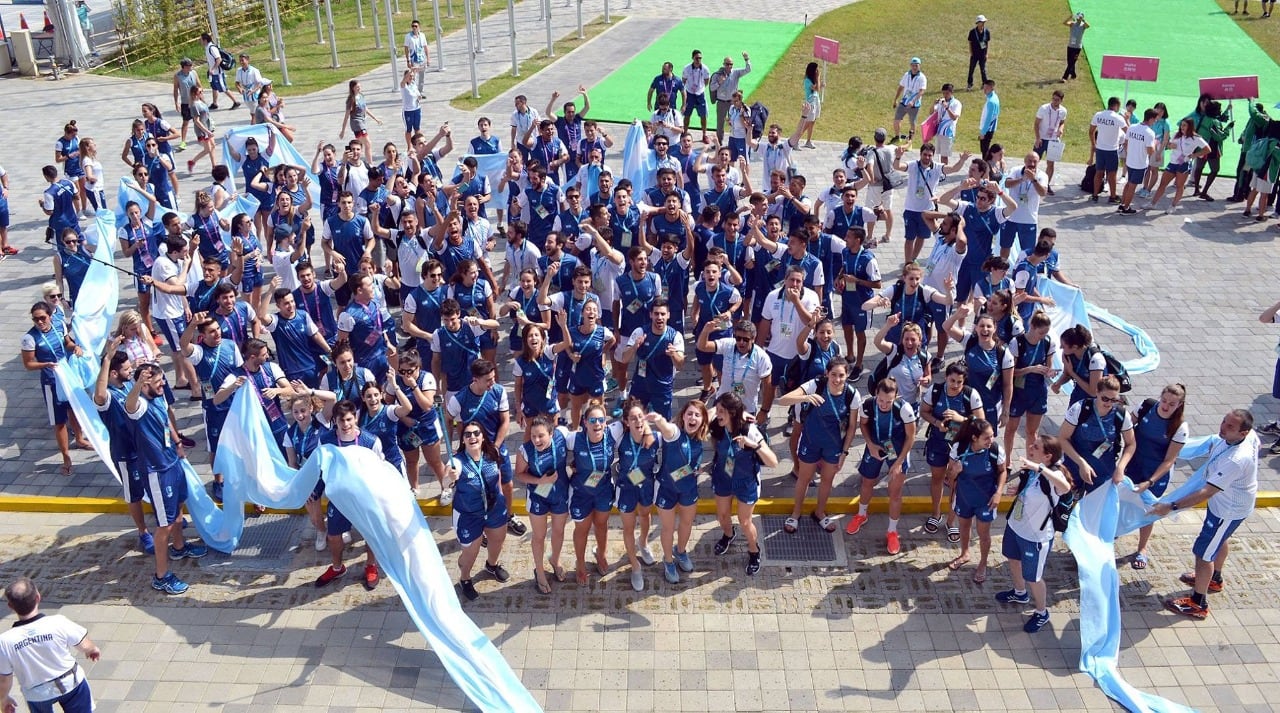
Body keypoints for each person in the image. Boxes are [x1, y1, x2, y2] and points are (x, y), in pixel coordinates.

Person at [1152, 409, 1259, 620]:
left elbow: (1206, 491)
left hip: (1227, 510)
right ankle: (1214, 579)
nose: (1223, 427)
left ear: (1243, 433)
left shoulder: (1236, 460)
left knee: (1203, 553)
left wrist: (1172, 506)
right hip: (1227, 505)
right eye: (1224, 421)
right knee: (1219, 540)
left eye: (1230, 427)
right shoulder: (1246, 437)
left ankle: (1198, 602)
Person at [125, 364, 209, 595]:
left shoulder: (159, 398)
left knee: (179, 506)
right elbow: (129, 404)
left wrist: (178, 443)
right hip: (157, 472)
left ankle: (180, 547)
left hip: (172, 462)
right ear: (144, 385)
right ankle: (161, 576)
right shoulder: (139, 405)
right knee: (165, 525)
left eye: (163, 379)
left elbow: (166, 422)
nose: (163, 384)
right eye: (158, 381)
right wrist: (137, 385)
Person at [996, 434, 1072, 633]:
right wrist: (1018, 490)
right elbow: (1029, 489)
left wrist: (1040, 469)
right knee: (1013, 559)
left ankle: (1041, 612)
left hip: (1035, 537)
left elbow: (1065, 487)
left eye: (1036, 446)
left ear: (1048, 457)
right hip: (1015, 526)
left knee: (1034, 577)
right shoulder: (1030, 469)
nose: (1030, 446)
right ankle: (1020, 593)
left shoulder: (1055, 475)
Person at [779, 358, 861, 534]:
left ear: (847, 375)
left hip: (834, 446)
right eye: (833, 375)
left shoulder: (852, 394)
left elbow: (853, 426)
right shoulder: (816, 385)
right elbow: (783, 400)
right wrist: (806, 397)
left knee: (827, 480)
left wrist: (845, 452)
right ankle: (796, 513)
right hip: (811, 441)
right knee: (804, 478)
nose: (837, 379)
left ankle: (819, 512)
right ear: (826, 373)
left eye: (841, 375)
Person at [0, 578, 102, 713]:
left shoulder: (5, 641)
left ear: (11, 606)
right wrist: (92, 649)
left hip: (37, 694)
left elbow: (4, 679)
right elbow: (84, 644)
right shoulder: (57, 622)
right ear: (38, 597)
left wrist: (3, 699)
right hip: (71, 683)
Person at [314, 400, 386, 590]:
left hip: (365, 497)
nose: (345, 425)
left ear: (356, 418)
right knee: (334, 536)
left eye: (348, 419)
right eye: (341, 420)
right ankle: (338, 568)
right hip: (339, 498)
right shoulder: (326, 440)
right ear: (335, 421)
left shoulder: (370, 441)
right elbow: (322, 468)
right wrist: (317, 489)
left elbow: (381, 471)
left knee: (371, 533)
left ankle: (371, 566)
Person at [709, 392, 777, 575]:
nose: (717, 414)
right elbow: (697, 416)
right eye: (717, 410)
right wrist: (718, 412)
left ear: (732, 413)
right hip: (723, 477)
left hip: (746, 481)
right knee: (723, 516)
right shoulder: (717, 425)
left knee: (745, 522)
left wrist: (753, 445)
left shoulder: (750, 431)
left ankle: (754, 551)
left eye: (722, 411)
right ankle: (729, 535)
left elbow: (773, 462)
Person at [847, 377, 918, 553]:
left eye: (889, 401)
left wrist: (899, 462)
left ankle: (892, 531)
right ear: (876, 394)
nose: (884, 405)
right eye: (881, 400)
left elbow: (911, 437)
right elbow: (863, 425)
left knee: (895, 492)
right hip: (876, 445)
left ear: (896, 397)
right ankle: (862, 514)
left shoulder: (904, 409)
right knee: (867, 482)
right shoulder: (868, 405)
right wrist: (870, 445)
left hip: (897, 449)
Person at [1124, 384, 1188, 569]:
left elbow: (1169, 460)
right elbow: (1127, 425)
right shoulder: (1146, 406)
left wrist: (1150, 481)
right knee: (1119, 501)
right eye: (1164, 401)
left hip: (1155, 474)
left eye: (1172, 404)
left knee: (1149, 511)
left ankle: (1142, 548)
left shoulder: (1180, 427)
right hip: (1133, 465)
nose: (1166, 406)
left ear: (1180, 405)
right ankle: (1115, 530)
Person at [919, 361, 984, 540]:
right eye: (952, 380)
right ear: (946, 377)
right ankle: (936, 514)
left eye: (959, 382)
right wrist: (936, 423)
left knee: (956, 483)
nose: (955, 385)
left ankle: (951, 521)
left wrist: (961, 419)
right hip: (938, 442)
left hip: (961, 445)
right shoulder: (936, 390)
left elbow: (981, 422)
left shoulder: (971, 395)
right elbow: (924, 411)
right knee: (937, 478)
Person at [21, 302, 85, 477]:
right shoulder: (29, 338)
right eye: (36, 319)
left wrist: (75, 347)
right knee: (59, 420)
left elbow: (67, 343)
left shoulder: (59, 325)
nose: (39, 322)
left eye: (43, 318)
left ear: (50, 316)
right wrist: (45, 364)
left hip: (66, 373)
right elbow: (28, 364)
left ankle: (79, 439)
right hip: (51, 379)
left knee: (74, 408)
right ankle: (66, 459)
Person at [448, 424, 511, 601]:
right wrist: (449, 478)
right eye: (467, 434)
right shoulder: (457, 462)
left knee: (497, 541)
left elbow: (497, 478)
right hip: (469, 515)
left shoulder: (492, 454)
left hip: (495, 509)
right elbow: (446, 481)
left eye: (476, 433)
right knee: (470, 553)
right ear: (463, 440)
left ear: (483, 436)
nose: (472, 437)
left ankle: (491, 566)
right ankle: (465, 578)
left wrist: (501, 499)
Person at [649, 402, 708, 584]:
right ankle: (668, 561)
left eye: (697, 415)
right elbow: (666, 428)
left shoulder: (700, 436)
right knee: (668, 528)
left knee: (686, 523)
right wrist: (658, 420)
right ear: (683, 416)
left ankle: (680, 552)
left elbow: (714, 411)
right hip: (666, 489)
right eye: (689, 414)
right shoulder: (674, 434)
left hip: (688, 488)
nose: (692, 418)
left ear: (703, 420)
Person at [945, 418, 1007, 584]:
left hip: (986, 501)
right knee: (964, 527)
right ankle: (965, 553)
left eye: (992, 436)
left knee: (983, 534)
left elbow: (1002, 471)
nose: (991, 440)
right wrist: (955, 471)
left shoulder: (995, 450)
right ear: (974, 438)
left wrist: (999, 492)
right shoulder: (959, 449)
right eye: (986, 438)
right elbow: (949, 478)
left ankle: (983, 563)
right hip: (964, 498)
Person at [514, 417, 570, 594]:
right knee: (539, 535)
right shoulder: (525, 450)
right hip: (538, 495)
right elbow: (519, 474)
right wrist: (540, 480)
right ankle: (539, 570)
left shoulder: (562, 435)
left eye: (541, 436)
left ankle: (555, 560)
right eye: (533, 436)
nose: (536, 440)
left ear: (551, 434)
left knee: (559, 530)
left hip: (560, 493)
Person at [1058, 375, 1136, 494]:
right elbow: (1063, 438)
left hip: (1103, 467)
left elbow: (1131, 444)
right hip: (1074, 464)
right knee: (1064, 501)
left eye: (1114, 400)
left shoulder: (1121, 415)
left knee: (1096, 508)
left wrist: (1120, 467)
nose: (1109, 403)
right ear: (1097, 392)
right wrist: (1081, 463)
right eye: (1105, 399)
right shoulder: (1080, 408)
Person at [1146, 118, 1210, 214]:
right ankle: (1152, 204)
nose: (1182, 127)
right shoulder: (1176, 134)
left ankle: (1173, 206)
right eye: (1181, 125)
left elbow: (1207, 149)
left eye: (1184, 125)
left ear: (1190, 126)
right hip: (1172, 163)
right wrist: (1169, 146)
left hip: (1184, 164)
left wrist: (1194, 155)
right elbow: (1168, 144)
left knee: (1179, 186)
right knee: (1163, 184)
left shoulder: (1196, 138)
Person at [1118, 109, 1159, 214]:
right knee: (1132, 186)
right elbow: (1150, 151)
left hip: (1130, 161)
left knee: (1128, 184)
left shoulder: (1132, 127)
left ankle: (1122, 204)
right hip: (1140, 163)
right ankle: (1126, 208)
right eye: (1155, 120)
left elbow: (1126, 143)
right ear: (1150, 119)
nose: (1155, 122)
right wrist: (1155, 143)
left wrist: (1130, 154)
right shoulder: (1150, 133)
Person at [710, 53, 751, 144]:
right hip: (721, 102)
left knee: (736, 122)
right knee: (720, 124)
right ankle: (719, 143)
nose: (729, 66)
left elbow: (748, 69)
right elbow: (712, 88)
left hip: (733, 103)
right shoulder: (717, 75)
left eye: (731, 64)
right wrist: (719, 82)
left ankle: (735, 141)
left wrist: (747, 59)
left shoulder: (736, 72)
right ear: (724, 64)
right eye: (727, 64)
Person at [339, 80, 382, 163]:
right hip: (357, 124)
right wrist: (343, 130)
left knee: (360, 144)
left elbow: (365, 109)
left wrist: (376, 119)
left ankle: (350, 156)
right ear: (353, 88)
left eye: (360, 86)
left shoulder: (361, 96)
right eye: (357, 87)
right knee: (368, 143)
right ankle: (370, 163)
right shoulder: (351, 100)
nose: (359, 88)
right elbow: (346, 116)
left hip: (362, 122)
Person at [1033, 91, 1067, 194]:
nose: (1054, 101)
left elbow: (1062, 122)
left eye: (1057, 100)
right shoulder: (1044, 108)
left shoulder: (1063, 111)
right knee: (1034, 161)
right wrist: (1038, 138)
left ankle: (1046, 185)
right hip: (1042, 138)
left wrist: (1061, 129)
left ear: (1061, 100)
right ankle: (1031, 182)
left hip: (1053, 140)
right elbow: (1036, 124)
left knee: (1051, 163)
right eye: (1053, 99)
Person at [891, 58, 927, 145]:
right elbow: (901, 87)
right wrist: (895, 99)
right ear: (910, 65)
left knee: (912, 123)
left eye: (916, 65)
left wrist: (913, 101)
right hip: (904, 102)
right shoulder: (906, 75)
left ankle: (910, 140)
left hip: (914, 105)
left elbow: (921, 91)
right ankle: (897, 137)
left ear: (919, 66)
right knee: (896, 120)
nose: (914, 67)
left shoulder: (922, 77)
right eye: (913, 65)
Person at [681, 50, 711, 144]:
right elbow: (684, 80)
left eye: (700, 58)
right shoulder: (687, 68)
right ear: (692, 58)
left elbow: (707, 81)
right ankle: (684, 133)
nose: (698, 60)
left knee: (703, 116)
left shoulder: (705, 69)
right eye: (697, 58)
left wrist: (699, 88)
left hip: (700, 94)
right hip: (689, 94)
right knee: (687, 115)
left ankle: (704, 134)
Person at [172, 58, 201, 150]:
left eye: (191, 66)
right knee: (185, 122)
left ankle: (201, 135)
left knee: (199, 120)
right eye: (189, 66)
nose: (191, 68)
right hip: (185, 102)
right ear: (184, 67)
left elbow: (199, 85)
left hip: (196, 101)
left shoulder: (194, 73)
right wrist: (176, 102)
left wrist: (200, 95)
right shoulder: (177, 76)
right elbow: (175, 90)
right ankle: (183, 141)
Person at [798, 62, 822, 148]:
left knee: (812, 122)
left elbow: (817, 88)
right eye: (816, 70)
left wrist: (820, 84)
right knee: (807, 123)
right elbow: (816, 88)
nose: (817, 71)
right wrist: (818, 78)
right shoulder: (807, 80)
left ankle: (808, 141)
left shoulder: (812, 80)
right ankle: (796, 140)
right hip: (810, 103)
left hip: (816, 101)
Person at [403, 19, 430, 91]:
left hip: (422, 59)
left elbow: (425, 47)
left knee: (422, 77)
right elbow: (406, 49)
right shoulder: (408, 36)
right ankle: (413, 92)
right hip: (413, 60)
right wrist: (408, 60)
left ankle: (420, 92)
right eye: (412, 26)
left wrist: (428, 59)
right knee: (413, 77)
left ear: (419, 27)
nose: (414, 28)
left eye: (415, 26)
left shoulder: (422, 35)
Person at [1062, 13, 1089, 82]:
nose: (1078, 18)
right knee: (1070, 62)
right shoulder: (1072, 24)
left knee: (1072, 62)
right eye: (1078, 17)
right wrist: (1070, 17)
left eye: (1080, 17)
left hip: (1077, 48)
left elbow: (1088, 26)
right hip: (1070, 46)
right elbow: (1064, 23)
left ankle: (1065, 77)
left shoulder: (1083, 26)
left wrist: (1083, 20)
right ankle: (1073, 74)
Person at [977, 80, 1000, 158]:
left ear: (991, 88)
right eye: (984, 87)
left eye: (986, 88)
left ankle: (986, 168)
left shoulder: (991, 101)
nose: (984, 90)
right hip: (989, 128)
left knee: (985, 151)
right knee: (984, 150)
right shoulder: (994, 97)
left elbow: (989, 119)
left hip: (988, 130)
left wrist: (983, 132)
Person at [967, 15, 990, 90]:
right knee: (971, 69)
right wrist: (971, 52)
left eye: (984, 22)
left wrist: (986, 53)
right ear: (978, 23)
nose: (983, 23)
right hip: (974, 54)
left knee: (983, 70)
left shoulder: (986, 31)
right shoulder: (972, 32)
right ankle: (970, 84)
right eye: (982, 22)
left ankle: (984, 84)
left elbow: (987, 43)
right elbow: (970, 42)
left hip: (982, 54)